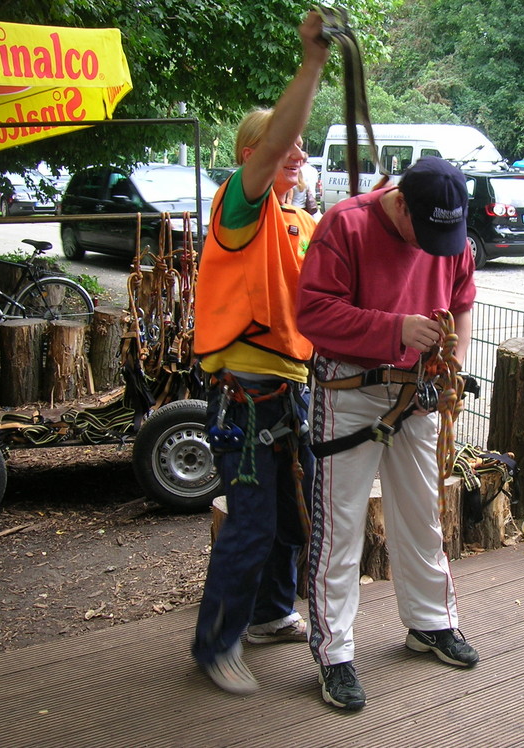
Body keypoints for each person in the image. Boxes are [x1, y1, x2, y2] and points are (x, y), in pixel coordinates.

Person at [297, 156, 479, 712]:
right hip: (349, 392)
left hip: (419, 392)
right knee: (342, 523)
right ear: (399, 201)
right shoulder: (344, 225)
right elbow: (312, 314)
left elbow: (464, 300)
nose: (432, 246)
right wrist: (394, 329)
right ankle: (334, 652)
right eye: (423, 233)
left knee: (423, 513)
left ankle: (430, 622)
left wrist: (454, 361)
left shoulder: (450, 235)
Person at [189, 10, 329, 696]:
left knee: (289, 518)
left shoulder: (295, 221)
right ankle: (214, 644)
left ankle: (272, 613)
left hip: (288, 390)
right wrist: (312, 66)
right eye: (285, 147)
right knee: (250, 524)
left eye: (302, 147)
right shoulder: (239, 211)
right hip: (247, 395)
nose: (297, 156)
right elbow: (273, 149)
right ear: (253, 155)